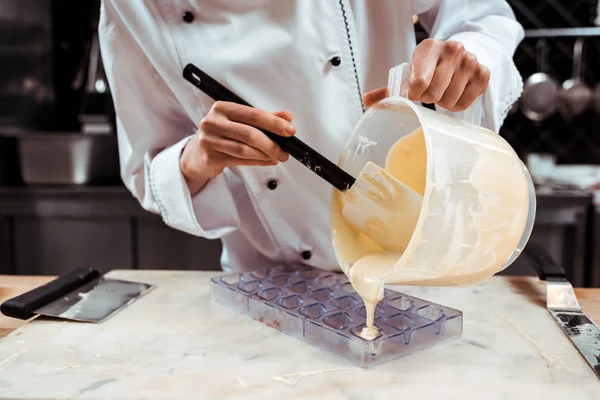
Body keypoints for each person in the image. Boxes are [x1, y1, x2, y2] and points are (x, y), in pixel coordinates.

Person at [98, 1, 524, 273]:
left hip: (424, 263)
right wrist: (198, 157)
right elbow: (147, 171)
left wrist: (467, 61)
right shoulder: (131, 7)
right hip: (273, 289)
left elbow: (485, 16)